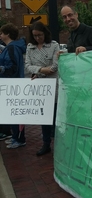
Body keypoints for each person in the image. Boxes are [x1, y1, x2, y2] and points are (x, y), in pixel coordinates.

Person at [25, 22, 60, 156]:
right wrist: (41, 70)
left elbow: (55, 66)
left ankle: (58, 142)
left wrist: (39, 71)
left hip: (53, 85)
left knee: (55, 117)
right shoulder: (30, 47)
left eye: (40, 35)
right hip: (39, 87)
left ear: (45, 33)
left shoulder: (54, 45)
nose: (38, 38)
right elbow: (27, 66)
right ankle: (46, 143)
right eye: (35, 36)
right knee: (44, 118)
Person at [0, 23, 27, 148]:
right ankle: (16, 137)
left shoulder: (11, 48)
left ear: (8, 34)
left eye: (2, 33)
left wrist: (2, 69)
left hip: (12, 85)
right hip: (11, 84)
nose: (0, 35)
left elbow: (13, 67)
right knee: (12, 113)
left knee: (15, 113)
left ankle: (20, 139)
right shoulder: (10, 47)